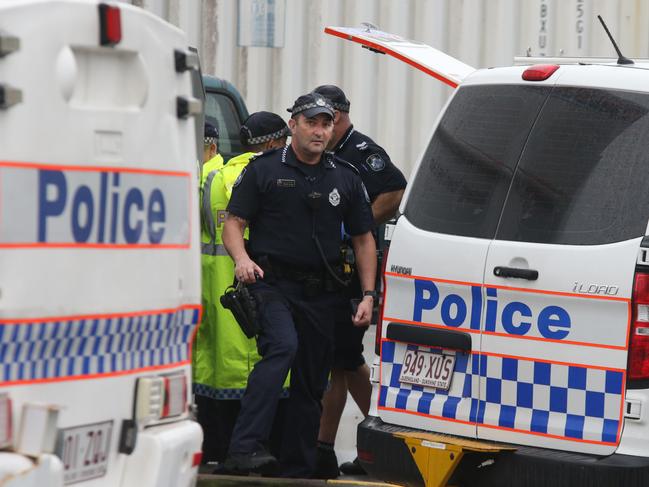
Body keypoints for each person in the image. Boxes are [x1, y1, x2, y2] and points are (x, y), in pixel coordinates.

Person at [221, 93, 377, 478]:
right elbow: (233, 223)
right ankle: (245, 449)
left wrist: (369, 295)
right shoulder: (264, 170)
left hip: (322, 293)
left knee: (312, 378)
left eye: (326, 123)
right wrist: (242, 260)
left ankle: (299, 464)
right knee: (281, 350)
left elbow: (363, 239)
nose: (319, 131)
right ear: (293, 126)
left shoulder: (344, 176)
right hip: (271, 284)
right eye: (311, 123)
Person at [311, 84, 407, 478]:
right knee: (340, 364)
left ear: (339, 117)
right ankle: (328, 447)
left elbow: (394, 189)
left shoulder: (360, 151)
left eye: (323, 120)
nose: (318, 127)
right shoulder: (328, 153)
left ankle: (382, 444)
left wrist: (357, 226)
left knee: (348, 361)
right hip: (330, 271)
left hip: (351, 274)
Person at [193, 112, 290, 464]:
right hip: (259, 287)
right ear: (279, 141)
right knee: (265, 369)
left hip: (215, 290)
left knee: (214, 375)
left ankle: (217, 451)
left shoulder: (208, 176)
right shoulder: (268, 172)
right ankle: (253, 448)